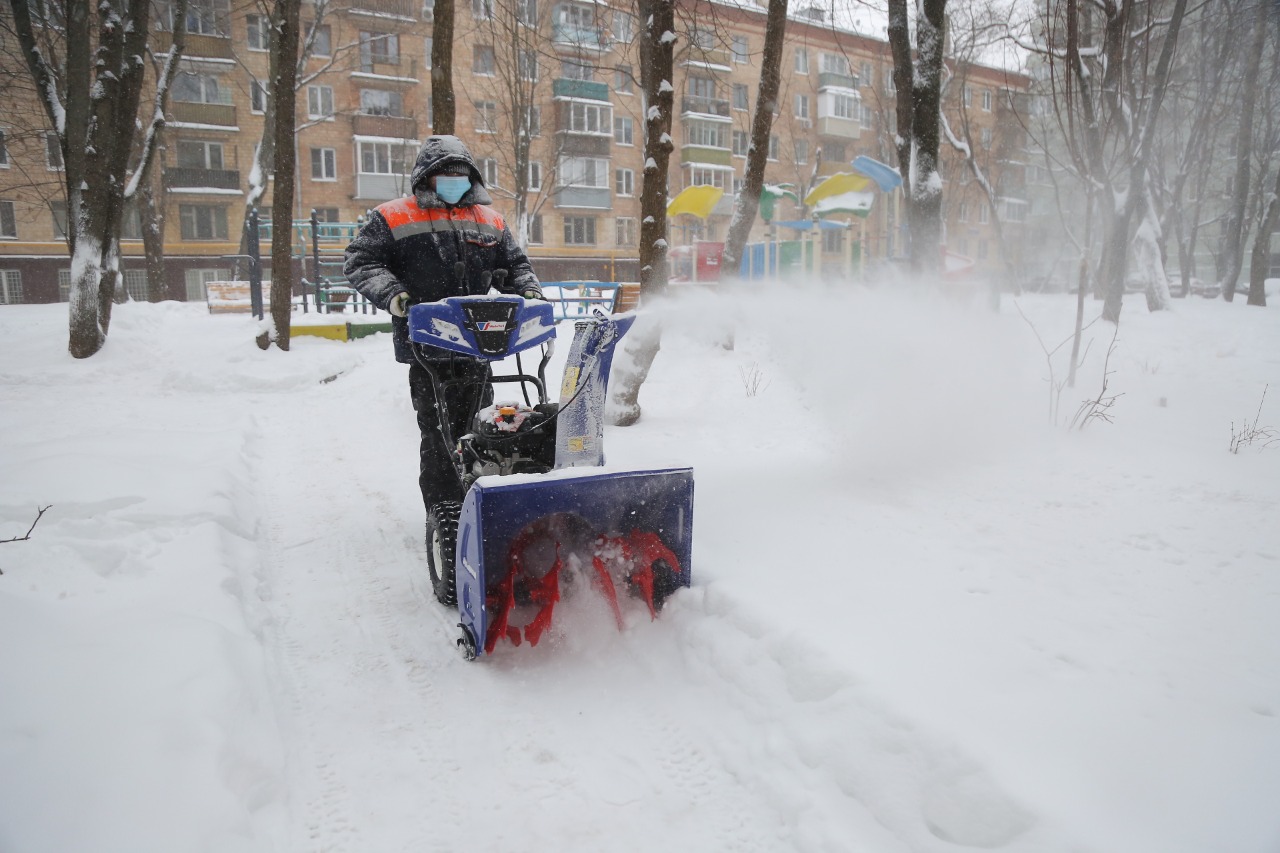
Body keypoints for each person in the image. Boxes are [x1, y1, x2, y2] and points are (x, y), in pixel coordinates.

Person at [344, 135, 543, 530]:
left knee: (482, 424)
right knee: (438, 432)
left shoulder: (490, 221)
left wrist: (528, 288)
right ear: (427, 177)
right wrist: (394, 295)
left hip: (481, 342)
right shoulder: (393, 216)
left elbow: (516, 264)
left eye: (461, 174)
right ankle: (445, 515)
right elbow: (360, 260)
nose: (454, 180)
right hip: (427, 346)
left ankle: (482, 497)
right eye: (445, 174)